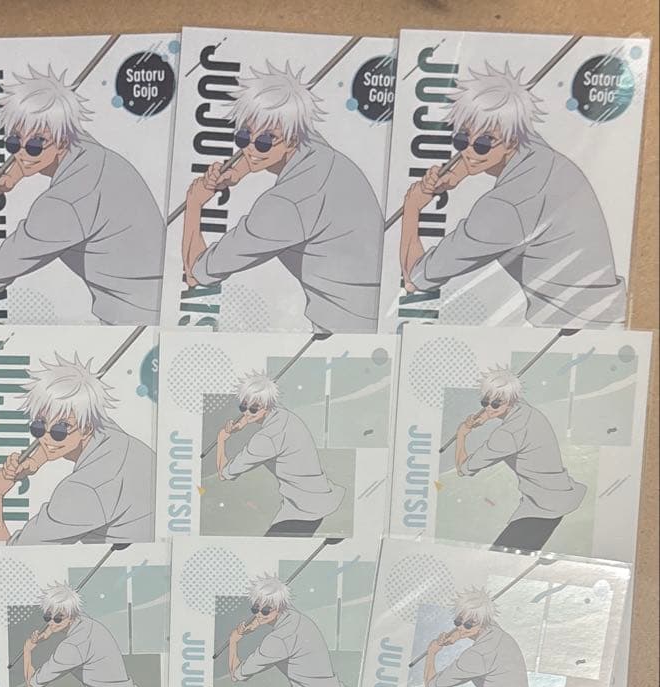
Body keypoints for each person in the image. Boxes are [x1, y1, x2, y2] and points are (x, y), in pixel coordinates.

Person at [400, 62, 626, 327]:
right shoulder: (538, 154)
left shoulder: (505, 207)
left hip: (573, 329)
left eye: (482, 144)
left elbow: (415, 279)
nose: (469, 152)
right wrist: (457, 173)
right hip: (603, 313)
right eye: (461, 139)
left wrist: (412, 208)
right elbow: (486, 146)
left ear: (512, 139)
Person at [182, 61, 383, 332]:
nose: (250, 149)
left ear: (292, 138)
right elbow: (263, 146)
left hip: (343, 331)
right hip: (366, 309)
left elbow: (197, 273)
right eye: (243, 136)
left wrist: (194, 204)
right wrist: (238, 172)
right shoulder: (316, 151)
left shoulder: (285, 205)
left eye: (265, 141)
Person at [0, 66, 163, 325]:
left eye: (35, 145)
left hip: (134, 321)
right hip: (149, 301)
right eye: (13, 142)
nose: (21, 153)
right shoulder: (88, 151)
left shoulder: (62, 206)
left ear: (63, 139)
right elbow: (34, 152)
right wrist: (13, 176)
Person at [0, 353, 155, 544]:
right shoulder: (104, 430)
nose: (46, 438)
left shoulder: (84, 490)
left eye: (60, 430)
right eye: (38, 426)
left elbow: (11, 556)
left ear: (86, 428)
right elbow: (56, 433)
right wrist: (35, 461)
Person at [454, 365, 586, 551]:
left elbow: (463, 468)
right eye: (485, 402)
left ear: (511, 401)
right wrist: (484, 418)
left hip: (543, 508)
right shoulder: (525, 409)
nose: (489, 408)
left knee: (498, 559)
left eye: (495, 404)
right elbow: (498, 406)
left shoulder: (506, 435)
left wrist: (461, 434)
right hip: (558, 495)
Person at [216, 371, 344, 536]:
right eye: (243, 406)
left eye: (253, 408)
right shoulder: (282, 415)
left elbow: (224, 473)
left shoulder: (265, 440)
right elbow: (251, 414)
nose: (246, 412)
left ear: (268, 406)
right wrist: (240, 425)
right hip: (316, 497)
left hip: (304, 511)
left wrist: (221, 440)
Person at [22, 583, 139, 687]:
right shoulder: (84, 621)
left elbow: (32, 684)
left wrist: (27, 650)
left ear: (71, 615)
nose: (51, 623)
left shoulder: (72, 647)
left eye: (58, 618)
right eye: (47, 617)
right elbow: (55, 622)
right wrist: (46, 634)